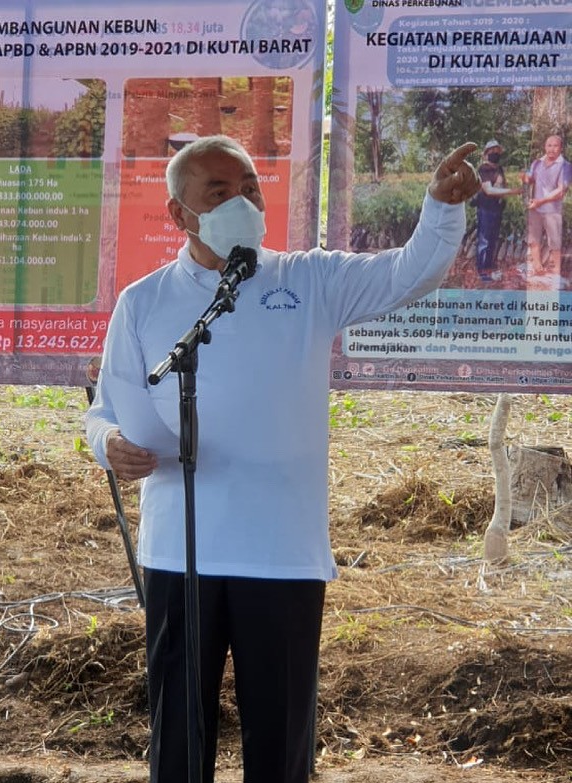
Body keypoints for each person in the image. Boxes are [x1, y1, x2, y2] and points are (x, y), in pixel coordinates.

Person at [85, 135, 480, 783]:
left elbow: (409, 272)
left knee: (281, 737)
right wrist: (109, 445)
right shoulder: (144, 301)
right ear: (178, 213)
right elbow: (105, 407)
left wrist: (439, 207)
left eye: (249, 188)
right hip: (180, 552)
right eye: (219, 191)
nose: (241, 201)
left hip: (281, 552)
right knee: (179, 739)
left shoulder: (308, 279)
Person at [521, 134, 572, 280]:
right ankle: (537, 266)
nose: (552, 149)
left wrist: (540, 201)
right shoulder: (537, 163)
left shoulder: (566, 166)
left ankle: (556, 271)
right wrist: (526, 178)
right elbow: (530, 179)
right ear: (545, 147)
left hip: (552, 211)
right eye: (549, 145)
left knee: (555, 241)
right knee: (534, 239)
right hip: (535, 209)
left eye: (555, 145)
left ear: (561, 148)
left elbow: (561, 191)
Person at [473, 139, 522, 283]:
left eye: (497, 151)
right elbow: (488, 190)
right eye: (492, 151)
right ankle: (482, 272)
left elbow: (500, 188)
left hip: (497, 209)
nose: (495, 153)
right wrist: (514, 191)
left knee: (493, 240)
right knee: (485, 240)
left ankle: (489, 267)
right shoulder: (484, 169)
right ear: (486, 153)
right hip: (486, 209)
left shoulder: (499, 169)